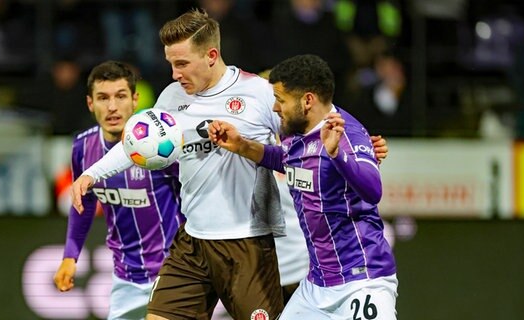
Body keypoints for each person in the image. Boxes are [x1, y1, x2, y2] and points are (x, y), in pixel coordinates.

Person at [71, 10, 389, 320]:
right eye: (171, 64)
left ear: (211, 55)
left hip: (247, 244)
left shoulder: (257, 94)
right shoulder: (171, 97)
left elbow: (320, 115)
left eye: (182, 64)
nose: (174, 74)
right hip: (193, 241)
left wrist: (357, 146)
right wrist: (92, 173)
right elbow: (137, 143)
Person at [208, 54, 398, 319]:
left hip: (361, 279)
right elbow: (285, 159)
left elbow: (373, 191)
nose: (275, 108)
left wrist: (337, 156)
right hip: (316, 284)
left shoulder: (346, 133)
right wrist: (242, 146)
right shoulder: (296, 133)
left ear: (307, 100)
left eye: (281, 100)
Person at [53, 61, 184, 320]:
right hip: (125, 277)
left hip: (174, 273)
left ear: (135, 100)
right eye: (103, 98)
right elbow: (84, 204)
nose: (112, 107)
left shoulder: (161, 144)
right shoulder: (83, 147)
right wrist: (70, 256)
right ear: (90, 103)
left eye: (120, 96)